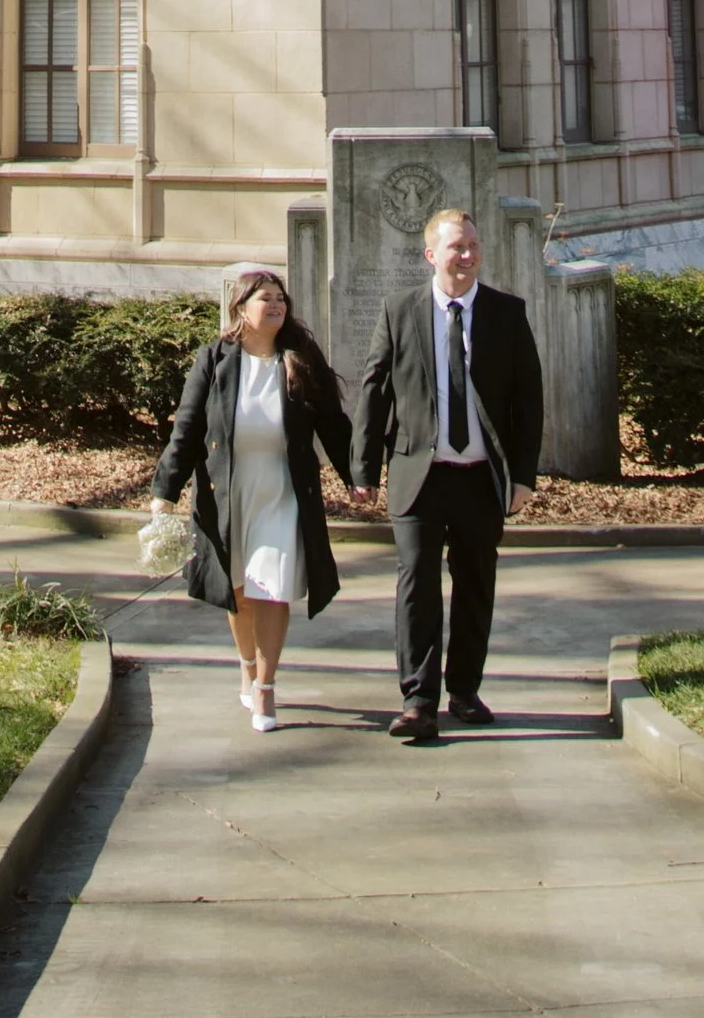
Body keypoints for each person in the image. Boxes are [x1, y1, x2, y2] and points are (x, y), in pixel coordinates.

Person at [352, 204, 542, 744]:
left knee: (476, 585)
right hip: (420, 473)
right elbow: (374, 389)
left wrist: (523, 476)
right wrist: (364, 466)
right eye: (456, 247)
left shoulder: (507, 313)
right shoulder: (401, 310)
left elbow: (529, 399)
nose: (467, 256)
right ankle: (418, 701)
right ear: (431, 254)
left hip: (482, 476)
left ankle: (463, 690)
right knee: (417, 586)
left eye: (473, 246)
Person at [152, 262, 354, 731]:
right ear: (240, 309)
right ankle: (246, 665)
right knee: (239, 591)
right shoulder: (214, 359)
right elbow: (187, 430)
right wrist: (165, 490)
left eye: (281, 298)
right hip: (230, 493)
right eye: (266, 298)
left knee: (274, 587)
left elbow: (333, 423)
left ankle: (265, 688)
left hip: (283, 490)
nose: (277, 305)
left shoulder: (301, 356)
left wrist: (357, 475)